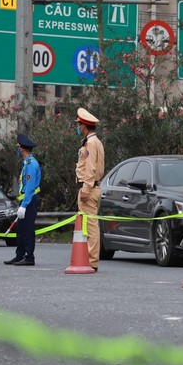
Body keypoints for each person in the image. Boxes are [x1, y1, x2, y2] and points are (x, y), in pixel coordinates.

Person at [75, 108, 105, 272]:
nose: (78, 127)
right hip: (92, 187)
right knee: (89, 224)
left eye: (79, 124)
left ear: (84, 126)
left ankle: (92, 261)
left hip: (89, 188)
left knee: (91, 226)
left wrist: (86, 188)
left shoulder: (91, 143)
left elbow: (91, 168)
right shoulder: (95, 142)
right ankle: (89, 258)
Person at [4, 134, 42, 266]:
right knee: (20, 230)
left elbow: (30, 188)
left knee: (27, 230)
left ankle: (29, 257)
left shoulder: (32, 165)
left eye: (19, 148)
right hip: (26, 201)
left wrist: (24, 205)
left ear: (22, 149)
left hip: (29, 201)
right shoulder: (26, 164)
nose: (18, 150)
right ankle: (19, 255)